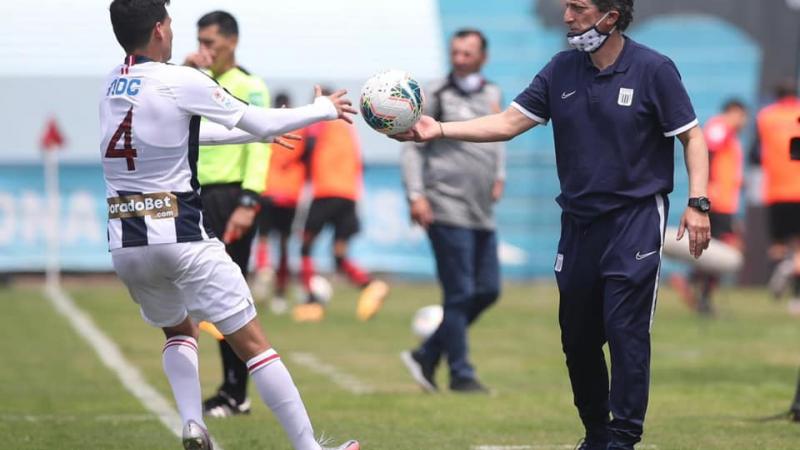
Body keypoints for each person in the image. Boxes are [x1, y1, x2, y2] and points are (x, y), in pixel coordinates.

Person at [392, 0, 711, 448]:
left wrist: (698, 202)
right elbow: (507, 123)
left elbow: (692, 136)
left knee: (625, 332)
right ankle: (596, 431)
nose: (567, 17)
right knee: (578, 340)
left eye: (578, 7)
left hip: (635, 219)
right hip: (578, 223)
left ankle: (622, 436)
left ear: (611, 15)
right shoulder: (560, 69)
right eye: (565, 6)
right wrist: (438, 130)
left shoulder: (654, 69)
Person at [103, 1, 359, 449]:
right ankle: (309, 448)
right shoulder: (180, 79)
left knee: (180, 331)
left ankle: (192, 423)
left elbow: (187, 133)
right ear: (160, 29)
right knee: (255, 344)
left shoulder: (111, 85)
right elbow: (256, 117)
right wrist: (321, 109)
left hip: (125, 240)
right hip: (178, 232)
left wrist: (255, 133)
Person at [399, 28, 505, 394]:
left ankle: (427, 355)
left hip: (481, 209)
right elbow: (411, 147)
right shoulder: (435, 94)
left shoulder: (492, 93)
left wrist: (499, 174)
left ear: (482, 57)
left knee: (488, 290)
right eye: (455, 52)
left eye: (467, 53)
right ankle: (460, 373)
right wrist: (416, 194)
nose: (459, 59)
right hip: (444, 205)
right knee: (458, 293)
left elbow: (500, 134)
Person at [181, 9, 270, 419]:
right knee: (197, 296)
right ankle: (227, 391)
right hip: (193, 196)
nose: (204, 51)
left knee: (227, 296)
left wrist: (249, 202)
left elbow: (260, 144)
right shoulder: (195, 80)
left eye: (210, 43)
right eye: (200, 42)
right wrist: (184, 70)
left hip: (230, 198)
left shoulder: (250, 86)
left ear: (231, 42)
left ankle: (236, 392)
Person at [292, 94, 389, 323]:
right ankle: (371, 284)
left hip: (326, 191)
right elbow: (359, 162)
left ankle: (312, 302)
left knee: (305, 246)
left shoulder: (319, 123)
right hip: (348, 194)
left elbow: (304, 149)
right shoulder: (348, 128)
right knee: (339, 254)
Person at [670, 99, 748, 316]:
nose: (743, 122)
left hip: (725, 201)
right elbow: (708, 152)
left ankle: (699, 293)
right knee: (723, 249)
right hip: (716, 201)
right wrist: (704, 189)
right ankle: (694, 286)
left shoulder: (730, 136)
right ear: (733, 112)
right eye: (742, 116)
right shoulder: (719, 128)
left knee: (716, 251)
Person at [253, 92, 309, 315]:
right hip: (289, 194)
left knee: (263, 238)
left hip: (267, 189)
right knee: (284, 243)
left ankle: (263, 271)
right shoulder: (299, 128)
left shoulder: (264, 126)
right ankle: (280, 291)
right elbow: (301, 155)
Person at [755, 79, 800, 314]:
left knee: (778, 244)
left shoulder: (766, 117)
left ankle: (783, 265)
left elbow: (757, 152)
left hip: (776, 190)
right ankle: (796, 297)